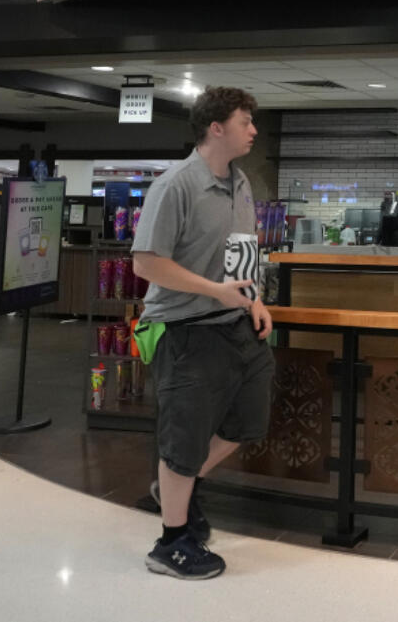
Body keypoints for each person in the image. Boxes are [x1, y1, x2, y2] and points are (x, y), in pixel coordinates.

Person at [131, 87, 275, 580]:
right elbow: (147, 263)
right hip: (186, 331)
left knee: (247, 424)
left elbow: (240, 254)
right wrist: (215, 291)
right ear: (216, 128)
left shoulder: (241, 183)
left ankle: (176, 488)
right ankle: (169, 543)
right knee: (184, 440)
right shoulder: (175, 185)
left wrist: (253, 300)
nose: (253, 130)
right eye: (245, 121)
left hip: (236, 328)